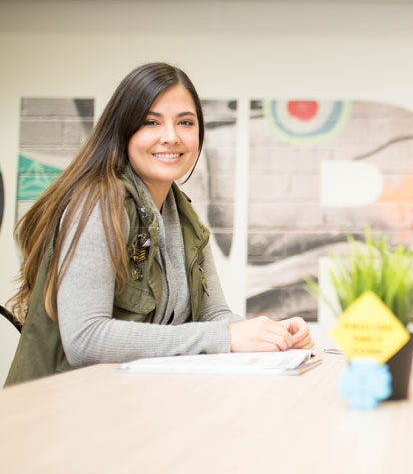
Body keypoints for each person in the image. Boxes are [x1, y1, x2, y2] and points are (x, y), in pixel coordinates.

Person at [5, 63, 313, 386]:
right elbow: (85, 339)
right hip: (59, 414)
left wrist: (273, 336)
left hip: (132, 405)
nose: (171, 137)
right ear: (123, 130)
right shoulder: (98, 203)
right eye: (151, 122)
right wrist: (225, 336)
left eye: (185, 122)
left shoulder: (182, 214)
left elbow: (215, 317)